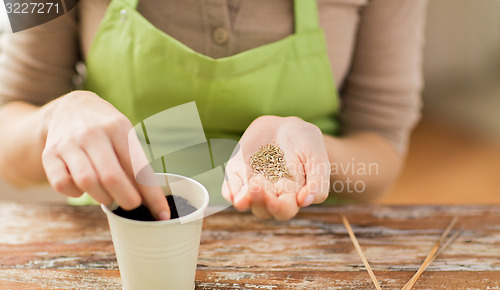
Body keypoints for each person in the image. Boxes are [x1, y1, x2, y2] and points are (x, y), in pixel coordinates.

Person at [0, 0, 426, 220]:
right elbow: (8, 131)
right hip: (114, 240)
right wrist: (54, 119)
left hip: (308, 251)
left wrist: (317, 160)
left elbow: (382, 147)